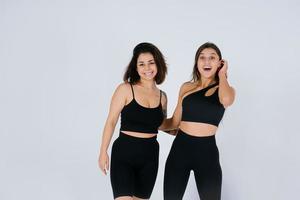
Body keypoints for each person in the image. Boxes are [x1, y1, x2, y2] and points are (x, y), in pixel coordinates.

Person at [160, 42, 235, 200]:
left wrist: (222, 75)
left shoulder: (225, 89)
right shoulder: (187, 88)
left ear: (220, 63)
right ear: (197, 62)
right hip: (180, 150)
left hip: (207, 154)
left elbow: (227, 100)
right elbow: (174, 122)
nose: (206, 62)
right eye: (202, 58)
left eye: (212, 58)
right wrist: (151, 122)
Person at [98, 42, 168, 200]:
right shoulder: (125, 89)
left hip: (150, 157)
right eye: (141, 64)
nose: (147, 68)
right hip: (124, 154)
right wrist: (103, 151)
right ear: (135, 68)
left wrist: (185, 127)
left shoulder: (162, 97)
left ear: (158, 64)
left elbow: (160, 124)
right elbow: (111, 121)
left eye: (151, 63)